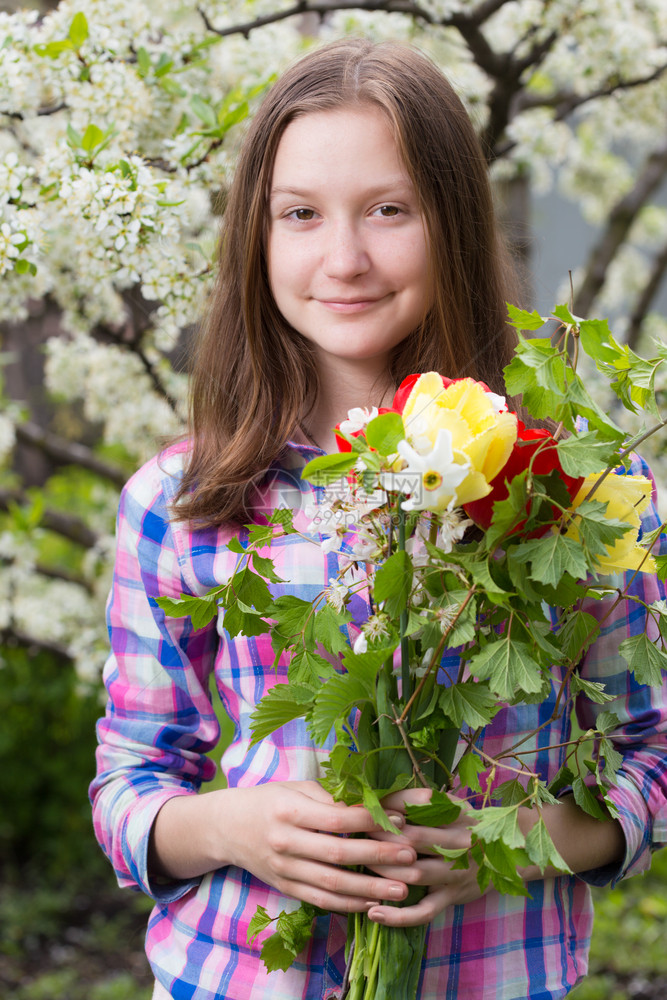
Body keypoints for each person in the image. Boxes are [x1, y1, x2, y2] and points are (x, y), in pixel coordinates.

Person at [90, 38, 667, 1000]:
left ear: (451, 221)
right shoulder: (182, 500)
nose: (344, 258)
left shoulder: (572, 488)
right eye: (300, 215)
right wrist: (236, 826)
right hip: (235, 979)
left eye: (389, 211)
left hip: (493, 976)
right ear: (257, 238)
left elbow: (649, 758)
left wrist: (504, 840)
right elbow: (132, 783)